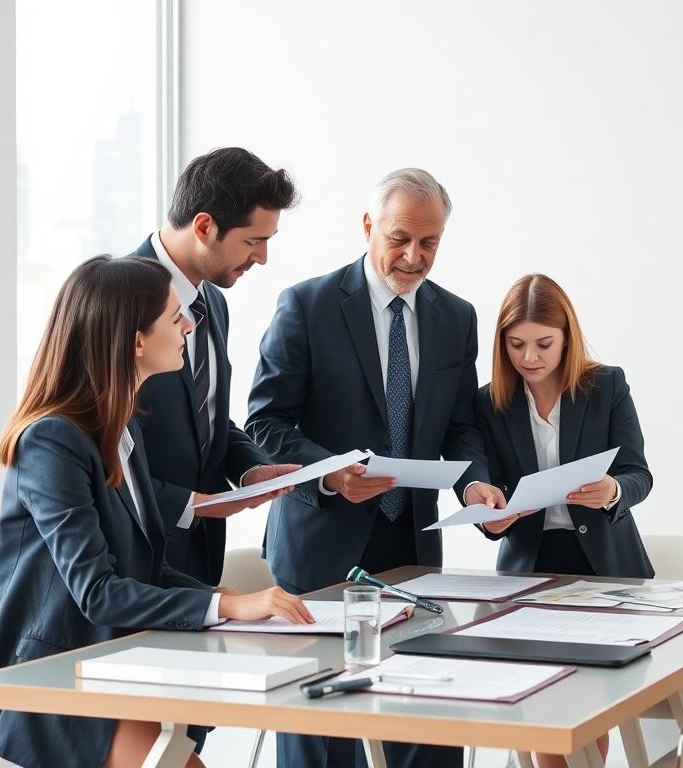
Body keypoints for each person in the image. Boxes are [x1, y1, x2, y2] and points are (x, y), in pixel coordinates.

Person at [0, 256, 313, 768]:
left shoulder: (123, 429)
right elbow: (98, 592)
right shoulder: (53, 440)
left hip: (106, 664)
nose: (189, 324)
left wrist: (222, 597)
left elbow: (141, 565)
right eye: (174, 318)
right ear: (136, 342)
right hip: (48, 679)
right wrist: (229, 609)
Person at [246, 168, 505, 767]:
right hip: (320, 550)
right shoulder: (307, 305)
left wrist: (476, 481)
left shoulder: (456, 317)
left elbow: (462, 424)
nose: (414, 257)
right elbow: (264, 422)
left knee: (424, 719)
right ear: (368, 227)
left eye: (430, 243)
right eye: (399, 239)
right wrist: (331, 473)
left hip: (411, 545)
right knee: (323, 736)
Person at [476, 273, 654, 767]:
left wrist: (614, 490)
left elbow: (639, 473)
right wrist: (492, 516)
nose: (529, 357)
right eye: (516, 344)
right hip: (530, 568)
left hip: (603, 566)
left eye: (543, 344)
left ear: (567, 338)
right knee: (542, 706)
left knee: (591, 704)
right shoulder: (490, 402)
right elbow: (484, 489)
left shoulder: (607, 385)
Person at [131, 147, 299, 588]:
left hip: (198, 553)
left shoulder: (214, 303)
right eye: (253, 241)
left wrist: (250, 469)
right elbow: (96, 445)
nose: (261, 258)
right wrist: (192, 504)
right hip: (133, 552)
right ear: (204, 226)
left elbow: (203, 413)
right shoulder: (116, 299)